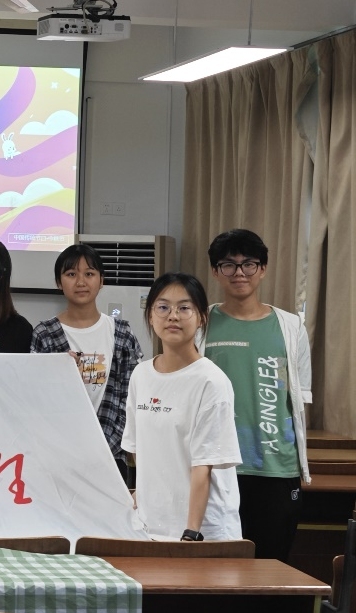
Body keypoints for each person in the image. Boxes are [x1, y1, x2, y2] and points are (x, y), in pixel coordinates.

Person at [201, 228, 311, 562]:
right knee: (213, 570)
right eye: (228, 264)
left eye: (248, 264)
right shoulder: (201, 324)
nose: (239, 272)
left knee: (270, 567)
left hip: (276, 468)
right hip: (216, 467)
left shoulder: (291, 326)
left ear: (262, 269)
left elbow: (299, 399)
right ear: (215, 271)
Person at [122, 272, 242, 541]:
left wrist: (191, 533)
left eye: (184, 308)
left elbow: (203, 466)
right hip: (152, 526)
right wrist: (145, 501)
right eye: (163, 307)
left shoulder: (211, 381)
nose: (173, 316)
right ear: (150, 316)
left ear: (202, 318)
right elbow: (139, 449)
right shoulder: (141, 375)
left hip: (202, 531)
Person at [31, 243, 142, 480]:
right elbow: (36, 399)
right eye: (71, 274)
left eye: (89, 274)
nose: (81, 282)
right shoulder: (45, 334)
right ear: (59, 282)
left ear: (101, 280)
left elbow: (132, 397)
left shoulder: (121, 333)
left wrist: (105, 447)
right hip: (59, 457)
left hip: (111, 456)